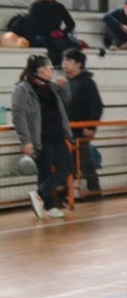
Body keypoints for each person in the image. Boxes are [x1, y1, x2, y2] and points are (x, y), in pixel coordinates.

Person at [11, 52, 73, 220]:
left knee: (67, 167)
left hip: (58, 135)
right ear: (38, 70)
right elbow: (19, 115)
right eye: (48, 67)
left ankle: (39, 194)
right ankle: (50, 205)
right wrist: (26, 141)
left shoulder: (52, 86)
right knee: (44, 171)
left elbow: (66, 100)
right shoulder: (23, 89)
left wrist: (63, 87)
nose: (51, 70)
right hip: (41, 138)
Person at [62, 46, 104, 193]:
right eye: (64, 60)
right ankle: (68, 192)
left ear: (79, 64)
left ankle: (93, 189)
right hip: (68, 129)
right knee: (73, 162)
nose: (65, 63)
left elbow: (97, 106)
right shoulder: (66, 83)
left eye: (69, 60)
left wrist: (90, 127)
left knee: (84, 161)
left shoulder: (87, 82)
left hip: (81, 130)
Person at [27, 0, 78, 67]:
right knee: (54, 45)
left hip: (57, 35)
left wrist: (63, 33)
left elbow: (71, 23)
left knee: (73, 45)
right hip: (41, 35)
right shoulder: (35, 6)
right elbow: (32, 25)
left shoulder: (59, 7)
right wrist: (49, 33)